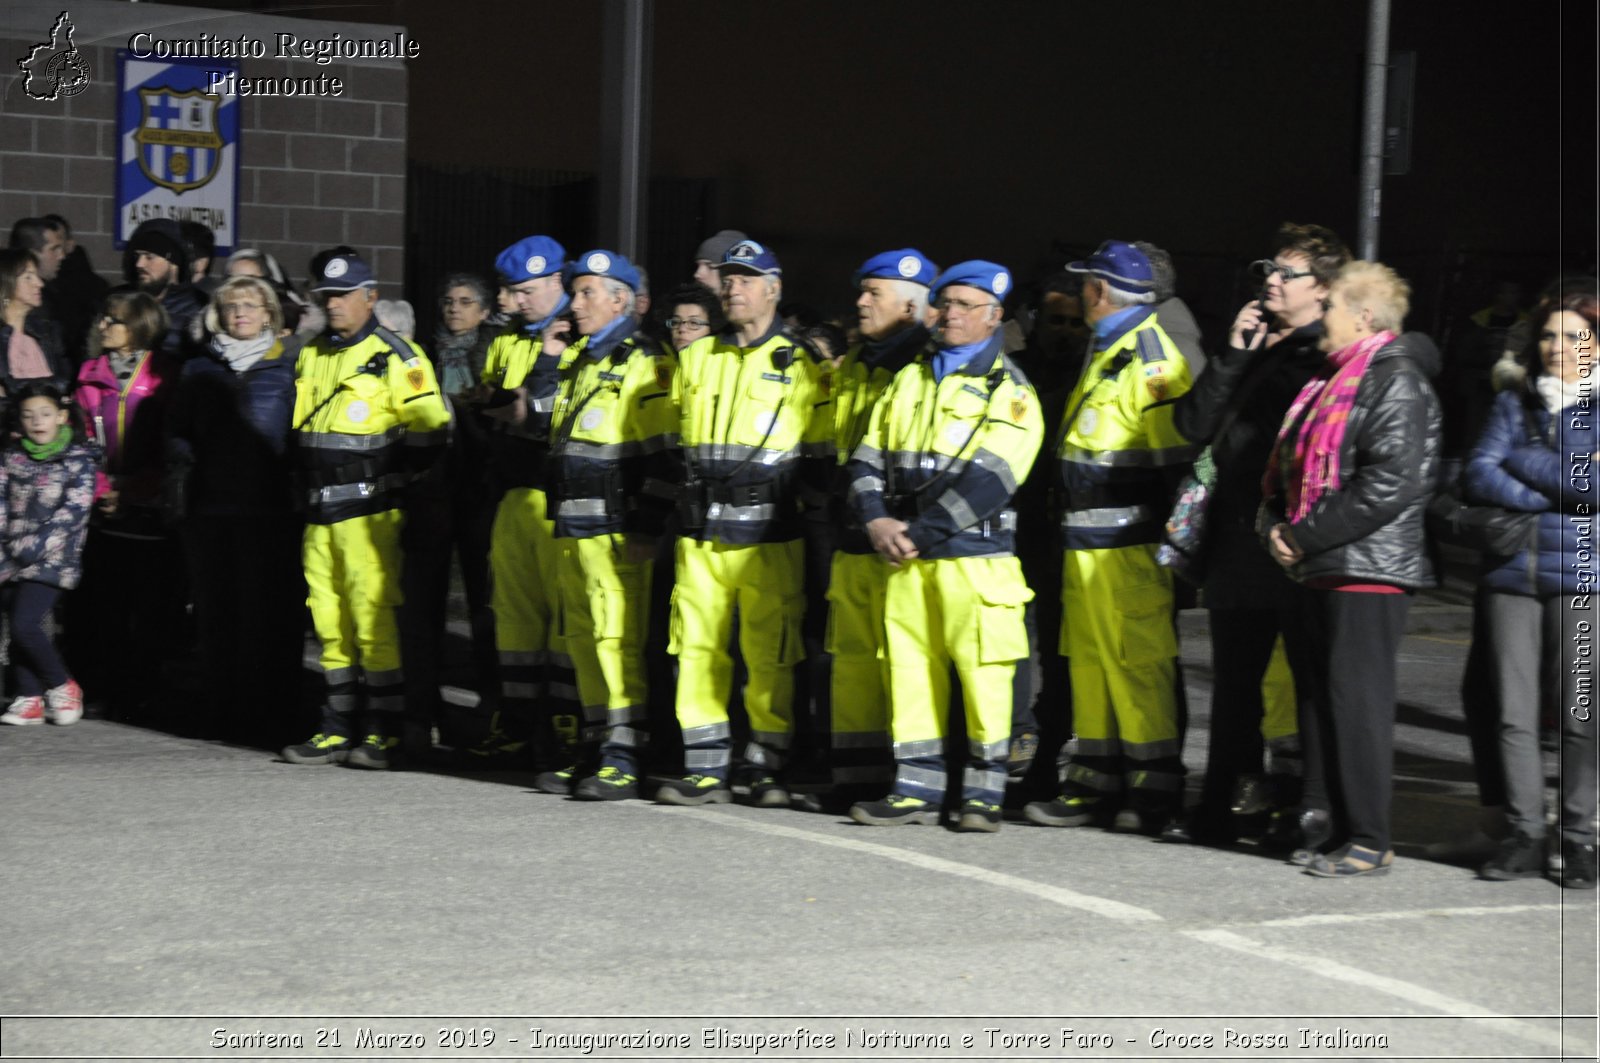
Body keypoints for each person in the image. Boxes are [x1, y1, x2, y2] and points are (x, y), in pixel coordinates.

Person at [1161, 223, 1350, 848]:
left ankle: (1305, 810)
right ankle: (1221, 806)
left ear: (1323, 291)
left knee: (1305, 681)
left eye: (1287, 272)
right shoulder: (1256, 347)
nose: (1271, 279)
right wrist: (1235, 353)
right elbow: (1193, 422)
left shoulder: (1328, 356)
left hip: (1294, 541)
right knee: (1236, 684)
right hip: (1239, 542)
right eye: (1269, 268)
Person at [845, 260, 1044, 831]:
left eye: (965, 305)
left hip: (973, 562)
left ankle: (982, 796)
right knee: (909, 673)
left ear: (994, 317)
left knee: (985, 678)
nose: (951, 314)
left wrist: (913, 533)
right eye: (946, 303)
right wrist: (876, 520)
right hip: (905, 558)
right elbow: (864, 458)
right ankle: (915, 789)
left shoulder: (1010, 390)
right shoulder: (910, 378)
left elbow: (994, 479)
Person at [1260, 260, 1441, 877]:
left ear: (1364, 317)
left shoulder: (1396, 379)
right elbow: (1287, 468)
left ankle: (1369, 836)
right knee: (1320, 701)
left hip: (1366, 567)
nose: (1322, 320)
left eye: (1332, 307)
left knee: (1356, 702)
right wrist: (1276, 529)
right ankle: (1337, 826)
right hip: (1320, 562)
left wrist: (1304, 535)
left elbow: (1391, 481)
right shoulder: (1329, 379)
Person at [1024, 240, 1195, 835]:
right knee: (1092, 662)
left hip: (1127, 550)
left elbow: (1178, 468)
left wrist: (1170, 550)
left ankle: (1154, 792)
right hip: (1086, 549)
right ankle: (1093, 781)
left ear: (1101, 291)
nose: (1078, 295)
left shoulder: (1151, 361)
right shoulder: (1110, 351)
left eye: (1085, 285)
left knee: (1138, 665)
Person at [656, 238, 833, 806]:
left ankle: (764, 762)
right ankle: (705, 765)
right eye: (728, 279)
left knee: (769, 653)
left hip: (770, 538)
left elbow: (824, 458)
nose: (732, 288)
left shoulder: (806, 364)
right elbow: (668, 442)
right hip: (701, 535)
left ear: (773, 290)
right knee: (697, 649)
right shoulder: (696, 357)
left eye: (746, 279)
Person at [281, 251, 452, 770]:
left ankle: (381, 730)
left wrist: (393, 478)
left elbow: (433, 429)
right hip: (318, 513)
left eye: (343, 295)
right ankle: (335, 727)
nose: (333, 305)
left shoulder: (400, 355)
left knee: (373, 621)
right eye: (327, 297)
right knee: (329, 622)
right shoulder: (314, 353)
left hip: (369, 514)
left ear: (370, 296)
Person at [1461, 290, 1598, 889]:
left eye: (1573, 337)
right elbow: (1477, 472)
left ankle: (1579, 837)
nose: (1557, 348)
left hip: (1582, 580)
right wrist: (1548, 491)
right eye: (1549, 336)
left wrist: (1523, 463)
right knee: (1513, 716)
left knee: (1579, 714)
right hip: (1511, 573)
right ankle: (1525, 833)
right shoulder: (1513, 402)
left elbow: (1593, 485)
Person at [804, 249, 936, 810]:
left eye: (873, 293)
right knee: (853, 660)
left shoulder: (925, 365)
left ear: (911, 304)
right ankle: (856, 776)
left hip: (899, 541)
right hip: (853, 536)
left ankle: (913, 782)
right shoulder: (859, 362)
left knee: (903, 663)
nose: (860, 302)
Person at [544, 250, 678, 799]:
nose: (574, 305)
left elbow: (664, 457)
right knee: (582, 637)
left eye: (586, 294)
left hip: (618, 528)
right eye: (575, 294)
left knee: (616, 639)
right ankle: (597, 742)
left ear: (621, 300)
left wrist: (646, 526)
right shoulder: (582, 358)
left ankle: (626, 753)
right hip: (575, 527)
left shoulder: (647, 360)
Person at [165, 275, 300, 746]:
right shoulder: (199, 369)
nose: (239, 313)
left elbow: (300, 434)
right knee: (218, 616)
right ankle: (223, 712)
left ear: (269, 314)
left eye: (249, 305)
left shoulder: (290, 365)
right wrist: (186, 468)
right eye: (230, 307)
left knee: (270, 615)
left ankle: (274, 712)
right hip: (211, 509)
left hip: (271, 510)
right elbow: (177, 430)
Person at [468, 236, 581, 784]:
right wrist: (509, 411)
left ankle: (564, 730)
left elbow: (542, 416)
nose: (520, 299)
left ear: (559, 283)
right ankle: (516, 724)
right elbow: (498, 411)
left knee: (564, 620)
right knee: (513, 619)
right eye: (514, 290)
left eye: (530, 290)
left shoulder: (579, 338)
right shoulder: (507, 341)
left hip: (560, 496)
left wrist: (514, 411)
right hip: (512, 492)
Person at [67, 292, 179, 718]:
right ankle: (105, 687)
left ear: (138, 328)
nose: (102, 326)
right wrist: (102, 491)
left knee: (147, 606)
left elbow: (170, 446)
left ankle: (143, 691)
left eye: (112, 320)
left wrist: (134, 489)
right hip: (103, 507)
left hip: (149, 505)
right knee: (103, 605)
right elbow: (79, 444)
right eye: (103, 318)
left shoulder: (165, 376)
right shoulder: (88, 375)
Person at [401, 273, 501, 747]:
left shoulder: (495, 353)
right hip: (432, 490)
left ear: (484, 312)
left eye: (465, 302)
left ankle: (491, 704)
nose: (454, 309)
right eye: (447, 301)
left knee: (485, 603)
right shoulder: (422, 355)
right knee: (424, 604)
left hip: (480, 489)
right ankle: (423, 709)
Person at [0, 384, 97, 727]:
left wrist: (31, 547)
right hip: (9, 556)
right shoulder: (11, 457)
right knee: (15, 624)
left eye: (44, 414)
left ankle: (61, 684)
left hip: (53, 559)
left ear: (61, 417)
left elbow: (74, 512)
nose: (36, 421)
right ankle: (29, 696)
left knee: (26, 623)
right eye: (28, 415)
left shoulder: (78, 460)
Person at [119, 219, 207, 361]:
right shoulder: (119, 300)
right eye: (137, 256)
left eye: (149, 257)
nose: (139, 264)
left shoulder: (198, 307)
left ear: (174, 263)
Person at [1, 250, 72, 421]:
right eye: (28, 277)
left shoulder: (46, 331)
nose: (39, 283)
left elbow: (66, 381)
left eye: (37, 276)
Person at [37, 215, 110, 364]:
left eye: (59, 244)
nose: (60, 254)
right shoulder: (38, 285)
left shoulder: (91, 286)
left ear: (70, 245)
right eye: (52, 247)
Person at [661, 284, 724, 352]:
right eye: (676, 322)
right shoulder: (659, 360)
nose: (682, 329)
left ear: (712, 328)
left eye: (693, 323)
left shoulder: (726, 361)